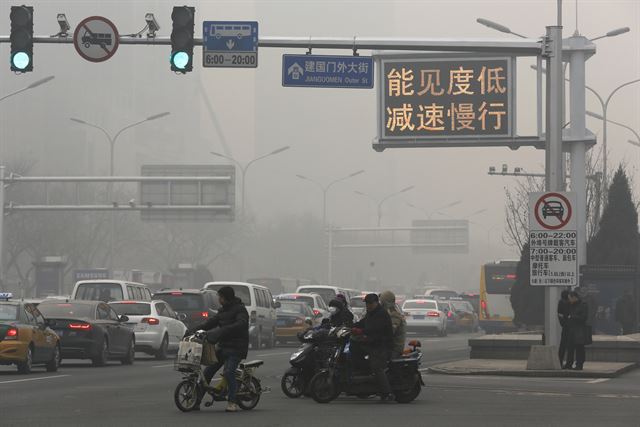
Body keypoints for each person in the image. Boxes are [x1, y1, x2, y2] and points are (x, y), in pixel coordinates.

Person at [189, 286, 249, 412]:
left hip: (237, 348)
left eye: (220, 297)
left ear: (226, 297)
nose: (219, 299)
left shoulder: (240, 310)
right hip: (223, 347)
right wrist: (192, 330)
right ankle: (196, 401)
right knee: (207, 372)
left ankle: (232, 402)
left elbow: (241, 324)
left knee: (228, 372)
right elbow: (209, 323)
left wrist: (222, 331)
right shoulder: (222, 311)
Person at [352, 293, 394, 401]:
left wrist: (361, 331)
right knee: (354, 347)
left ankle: (387, 392)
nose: (368, 305)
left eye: (370, 303)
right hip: (372, 342)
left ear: (376, 302)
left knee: (377, 366)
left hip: (382, 345)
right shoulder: (370, 313)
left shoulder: (381, 314)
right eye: (367, 303)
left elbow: (375, 329)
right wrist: (351, 326)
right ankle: (362, 376)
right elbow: (363, 323)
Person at [564, 291, 589, 370]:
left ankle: (579, 364)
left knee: (579, 348)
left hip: (579, 329)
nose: (569, 300)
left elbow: (583, 318)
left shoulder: (583, 305)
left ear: (574, 297)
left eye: (570, 298)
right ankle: (569, 364)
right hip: (571, 329)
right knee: (570, 347)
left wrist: (572, 317)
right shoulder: (571, 305)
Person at [379, 290, 407, 359]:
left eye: (381, 301)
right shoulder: (386, 313)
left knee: (376, 359)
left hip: (394, 349)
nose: (380, 304)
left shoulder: (394, 315)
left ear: (385, 302)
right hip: (387, 346)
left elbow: (390, 332)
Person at [557, 290, 570, 365]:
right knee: (569, 346)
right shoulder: (567, 303)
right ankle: (568, 362)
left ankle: (560, 361)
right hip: (569, 326)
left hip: (564, 326)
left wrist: (563, 323)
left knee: (562, 345)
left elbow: (559, 314)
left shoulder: (560, 302)